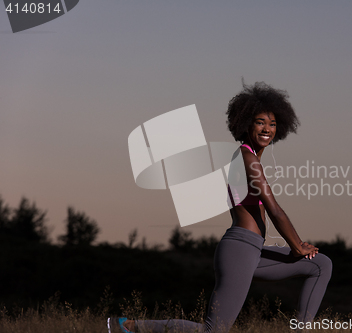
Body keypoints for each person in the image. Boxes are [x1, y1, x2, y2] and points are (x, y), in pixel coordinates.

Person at [108, 82, 332, 333]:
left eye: (272, 124)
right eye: (260, 122)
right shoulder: (247, 158)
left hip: (253, 250)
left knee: (320, 264)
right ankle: (128, 326)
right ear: (246, 123)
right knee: (213, 331)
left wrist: (297, 250)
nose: (267, 128)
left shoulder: (251, 158)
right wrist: (297, 246)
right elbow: (274, 209)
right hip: (240, 250)